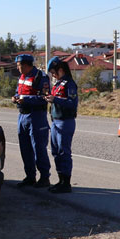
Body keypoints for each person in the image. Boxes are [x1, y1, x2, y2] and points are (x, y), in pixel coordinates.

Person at [11, 54, 51, 188]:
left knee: (38, 148)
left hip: (36, 117)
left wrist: (26, 100)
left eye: (19, 65)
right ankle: (30, 176)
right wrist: (15, 98)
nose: (18, 68)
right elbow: (19, 92)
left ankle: (45, 177)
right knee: (25, 148)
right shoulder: (22, 77)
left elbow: (44, 97)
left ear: (27, 65)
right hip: (22, 116)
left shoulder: (40, 76)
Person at [44, 57, 78, 193]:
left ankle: (66, 183)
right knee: (56, 152)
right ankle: (60, 180)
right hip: (56, 121)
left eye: (54, 72)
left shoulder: (70, 84)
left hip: (65, 121)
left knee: (64, 152)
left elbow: (72, 103)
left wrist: (55, 99)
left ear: (61, 70)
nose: (52, 75)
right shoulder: (58, 84)